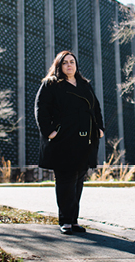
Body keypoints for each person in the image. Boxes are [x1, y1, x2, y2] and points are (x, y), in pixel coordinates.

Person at [34, 50, 104, 235]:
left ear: (76, 65)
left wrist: (100, 128)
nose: (69, 65)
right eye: (65, 62)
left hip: (85, 140)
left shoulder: (84, 85)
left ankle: (73, 221)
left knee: (78, 181)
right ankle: (65, 221)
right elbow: (41, 109)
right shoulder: (50, 84)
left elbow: (95, 108)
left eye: (72, 62)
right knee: (66, 180)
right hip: (63, 140)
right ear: (59, 65)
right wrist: (50, 132)